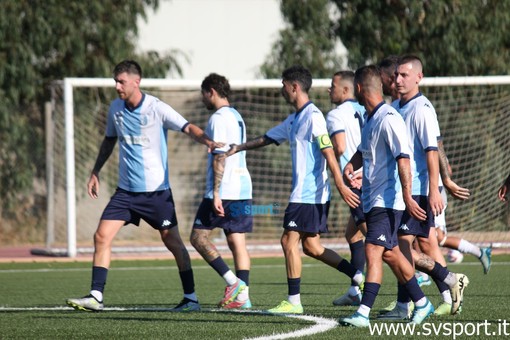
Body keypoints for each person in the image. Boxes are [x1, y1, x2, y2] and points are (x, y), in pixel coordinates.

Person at [66, 60, 222, 312]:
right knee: (101, 236)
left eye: (121, 81)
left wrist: (208, 141)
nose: (117, 86)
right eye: (115, 81)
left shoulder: (156, 108)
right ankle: (96, 296)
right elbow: (109, 140)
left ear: (136, 82)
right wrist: (95, 171)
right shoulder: (115, 108)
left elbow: (188, 127)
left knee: (173, 243)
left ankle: (191, 298)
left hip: (156, 195)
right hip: (126, 193)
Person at [227, 65, 364, 314]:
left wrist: (341, 184)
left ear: (294, 87)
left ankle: (294, 301)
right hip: (306, 194)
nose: (282, 90)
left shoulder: (314, 116)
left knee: (287, 241)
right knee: (312, 247)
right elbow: (267, 138)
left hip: (309, 194)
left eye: (283, 85)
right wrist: (239, 147)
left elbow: (329, 152)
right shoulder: (294, 119)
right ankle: (356, 276)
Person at [338, 65, 435, 328]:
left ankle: (362, 312)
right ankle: (423, 303)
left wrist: (407, 196)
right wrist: (352, 165)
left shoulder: (389, 118)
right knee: (391, 254)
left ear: (358, 88)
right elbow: (363, 150)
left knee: (372, 250)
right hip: (373, 200)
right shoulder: (371, 118)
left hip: (388, 201)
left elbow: (403, 159)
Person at [381, 55, 468, 318]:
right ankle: (411, 301)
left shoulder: (422, 109)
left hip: (418, 190)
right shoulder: (396, 105)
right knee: (407, 245)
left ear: (419, 77)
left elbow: (432, 150)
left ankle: (447, 282)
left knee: (399, 247)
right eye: (396, 75)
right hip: (400, 189)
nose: (397, 79)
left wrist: (435, 188)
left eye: (404, 75)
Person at [189, 73, 253, 309]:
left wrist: (215, 192)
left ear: (211, 92)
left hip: (224, 188)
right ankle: (243, 298)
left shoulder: (217, 118)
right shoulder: (237, 116)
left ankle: (233, 283)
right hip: (242, 186)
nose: (203, 99)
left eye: (204, 94)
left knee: (198, 237)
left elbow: (220, 157)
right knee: (238, 242)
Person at [325, 71, 367, 307]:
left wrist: (323, 156)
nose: (328, 90)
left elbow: (339, 147)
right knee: (352, 234)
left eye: (332, 86)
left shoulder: (335, 115)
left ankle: (416, 279)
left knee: (379, 241)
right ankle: (354, 291)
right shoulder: (367, 109)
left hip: (355, 182)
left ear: (345, 90)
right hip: (373, 177)